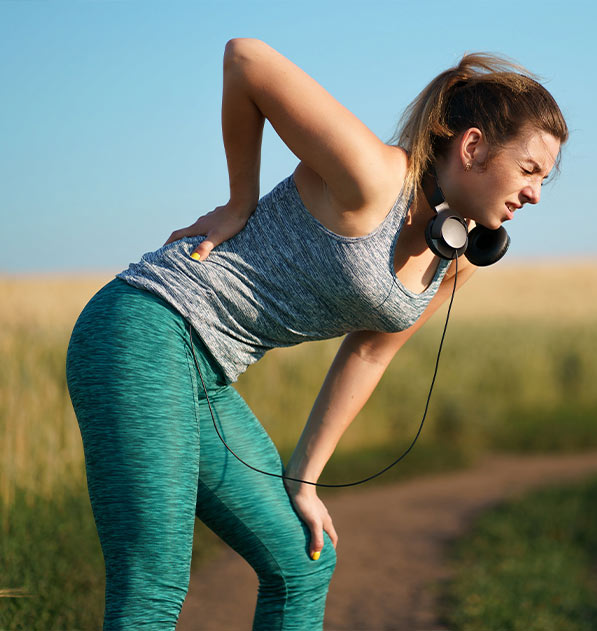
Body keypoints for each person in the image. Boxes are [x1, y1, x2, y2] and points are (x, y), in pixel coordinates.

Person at [65, 38, 567, 630]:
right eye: (529, 169)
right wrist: (238, 202)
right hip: (145, 328)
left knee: (302, 562)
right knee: (154, 582)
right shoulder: (377, 177)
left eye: (544, 179)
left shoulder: (451, 260)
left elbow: (369, 354)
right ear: (474, 146)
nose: (535, 192)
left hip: (204, 374)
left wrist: (304, 477)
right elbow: (245, 59)